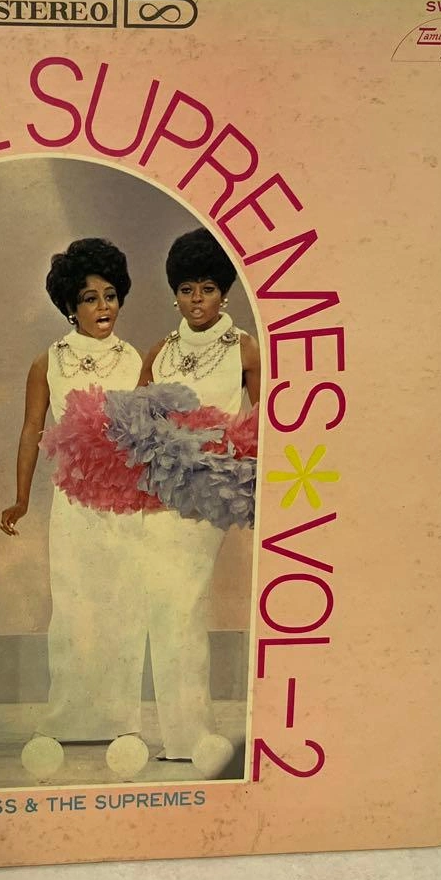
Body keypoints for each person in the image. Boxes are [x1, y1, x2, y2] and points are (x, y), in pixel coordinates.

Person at [0, 238, 146, 742]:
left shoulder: (136, 360)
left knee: (123, 603)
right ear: (69, 306)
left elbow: (150, 433)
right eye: (89, 298)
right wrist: (21, 498)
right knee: (73, 605)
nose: (103, 307)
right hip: (73, 500)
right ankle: (68, 717)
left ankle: (121, 719)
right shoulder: (48, 362)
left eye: (110, 295)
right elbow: (31, 430)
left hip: (124, 501)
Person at [139, 228, 261, 760]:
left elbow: (269, 421)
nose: (197, 300)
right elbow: (138, 422)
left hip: (212, 490)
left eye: (207, 289)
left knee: (184, 600)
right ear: (175, 293)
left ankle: (193, 734)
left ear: (224, 292)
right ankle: (181, 736)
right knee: (166, 606)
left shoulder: (245, 348)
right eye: (187, 289)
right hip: (161, 494)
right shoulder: (160, 351)